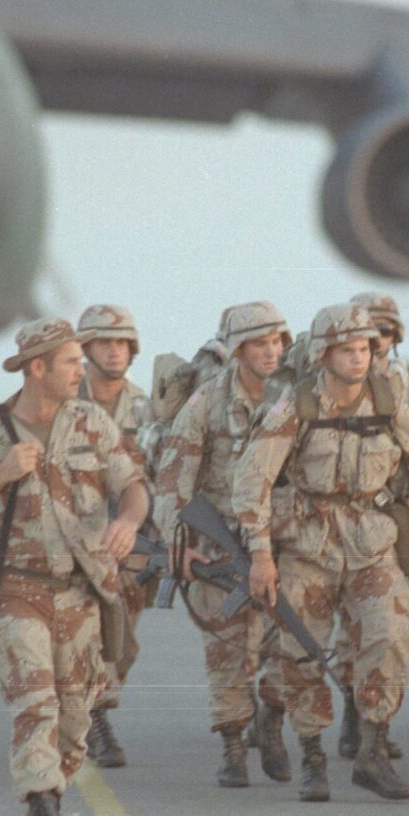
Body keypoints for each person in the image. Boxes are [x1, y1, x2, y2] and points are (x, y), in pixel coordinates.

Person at [0, 316, 149, 816]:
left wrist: (126, 520)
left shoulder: (92, 423)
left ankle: (50, 792)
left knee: (75, 721)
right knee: (35, 706)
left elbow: (133, 485)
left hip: (82, 592)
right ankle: (44, 813)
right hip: (18, 589)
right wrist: (3, 473)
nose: (83, 370)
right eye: (72, 363)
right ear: (38, 367)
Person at [232, 303, 409, 802]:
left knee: (389, 635)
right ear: (323, 354)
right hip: (306, 546)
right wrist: (261, 554)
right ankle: (313, 756)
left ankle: (372, 752)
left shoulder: (389, 401)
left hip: (372, 542)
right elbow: (253, 481)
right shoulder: (296, 407)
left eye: (365, 349)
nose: (358, 359)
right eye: (347, 350)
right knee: (301, 651)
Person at [151, 301, 293, 788]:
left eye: (276, 341)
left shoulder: (295, 399)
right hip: (218, 541)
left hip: (283, 542)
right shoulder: (206, 403)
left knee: (290, 642)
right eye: (260, 343)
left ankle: (271, 720)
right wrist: (178, 544)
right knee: (227, 648)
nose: (271, 352)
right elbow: (173, 478)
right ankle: (233, 744)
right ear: (237, 350)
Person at [76, 304, 156, 769]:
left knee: (120, 638)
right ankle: (94, 718)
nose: (115, 350)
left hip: (130, 541)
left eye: (122, 342)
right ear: (85, 349)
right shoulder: (62, 402)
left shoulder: (147, 409)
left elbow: (164, 474)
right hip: (70, 535)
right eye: (105, 341)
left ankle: (97, 705)